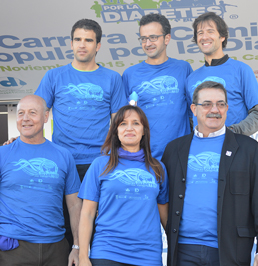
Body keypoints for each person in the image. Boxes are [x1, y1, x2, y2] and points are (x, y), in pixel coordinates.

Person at [162, 81, 258, 266]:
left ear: (227, 108)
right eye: (206, 104)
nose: (214, 109)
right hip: (183, 249)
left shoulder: (248, 148)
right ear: (194, 109)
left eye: (221, 104)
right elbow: (163, 199)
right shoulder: (174, 149)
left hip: (230, 250)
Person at [34, 18, 126, 247]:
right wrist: (20, 141)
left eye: (88, 40)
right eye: (77, 39)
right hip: (63, 162)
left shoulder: (112, 78)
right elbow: (34, 114)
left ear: (98, 45)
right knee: (64, 227)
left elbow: (119, 125)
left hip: (99, 163)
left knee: (97, 226)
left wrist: (116, 159)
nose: (82, 45)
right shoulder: (54, 76)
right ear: (71, 43)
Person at [78, 105, 169, 266]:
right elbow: (87, 214)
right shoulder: (100, 165)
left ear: (144, 131)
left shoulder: (157, 168)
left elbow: (165, 217)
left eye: (136, 123)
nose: (129, 128)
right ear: (116, 131)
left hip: (148, 255)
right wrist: (83, 256)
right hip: (107, 252)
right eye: (123, 124)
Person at [0, 95, 82, 266]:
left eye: (32, 112)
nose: (26, 118)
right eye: (21, 113)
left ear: (45, 117)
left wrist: (77, 246)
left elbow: (74, 205)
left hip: (56, 248)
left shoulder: (63, 155)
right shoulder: (3, 154)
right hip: (13, 249)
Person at [122, 13, 193, 160]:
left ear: (167, 38)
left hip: (179, 156)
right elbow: (123, 120)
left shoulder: (183, 69)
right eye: (143, 38)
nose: (148, 43)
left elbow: (194, 111)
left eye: (153, 37)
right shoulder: (129, 74)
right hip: (143, 157)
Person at [186, 12, 258, 136]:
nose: (204, 37)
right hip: (204, 148)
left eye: (210, 31)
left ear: (222, 37)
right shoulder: (191, 79)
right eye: (200, 33)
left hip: (236, 147)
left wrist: (232, 133)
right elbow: (191, 119)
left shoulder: (241, 70)